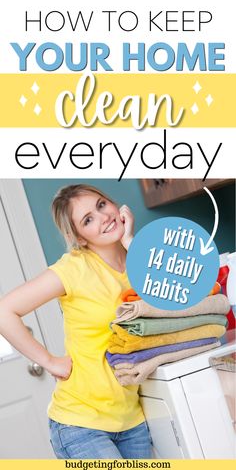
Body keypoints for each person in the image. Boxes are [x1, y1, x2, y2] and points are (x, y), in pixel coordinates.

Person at [0, 184, 153, 459]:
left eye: (101, 205)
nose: (103, 217)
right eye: (88, 220)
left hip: (133, 419)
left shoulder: (140, 261)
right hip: (81, 424)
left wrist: (131, 243)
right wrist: (48, 361)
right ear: (80, 238)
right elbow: (4, 311)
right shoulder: (74, 268)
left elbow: (171, 306)